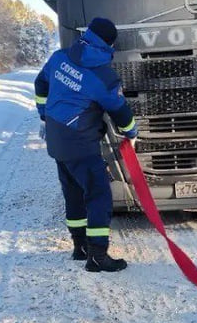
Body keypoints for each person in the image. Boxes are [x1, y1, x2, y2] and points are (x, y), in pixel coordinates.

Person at [33, 18, 138, 272]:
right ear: (109, 44)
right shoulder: (102, 76)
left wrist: (44, 114)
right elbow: (120, 110)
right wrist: (131, 132)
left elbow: (40, 84)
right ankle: (97, 257)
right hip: (80, 143)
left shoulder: (60, 57)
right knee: (99, 195)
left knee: (73, 193)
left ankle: (79, 248)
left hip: (57, 140)